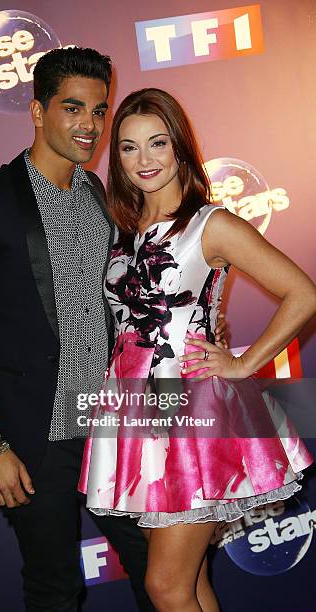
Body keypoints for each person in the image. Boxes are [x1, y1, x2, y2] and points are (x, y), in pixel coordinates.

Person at [0, 47, 228, 612]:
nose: (90, 126)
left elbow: (146, 295)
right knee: (55, 589)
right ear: (38, 112)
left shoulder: (103, 197)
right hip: (30, 438)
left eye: (99, 110)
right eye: (73, 109)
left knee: (159, 576)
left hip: (113, 429)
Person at [78, 87, 316, 612]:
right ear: (114, 156)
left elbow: (303, 294)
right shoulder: (122, 232)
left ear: (180, 146)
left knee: (164, 585)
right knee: (189, 581)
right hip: (138, 412)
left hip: (193, 412)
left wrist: (243, 362)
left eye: (157, 143)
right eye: (128, 147)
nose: (144, 160)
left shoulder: (212, 225)